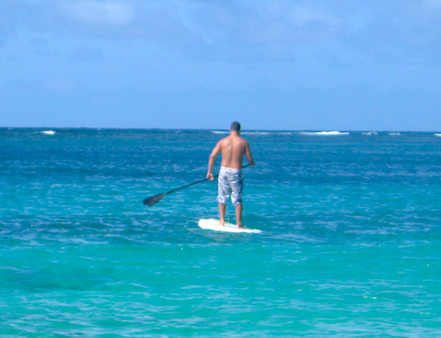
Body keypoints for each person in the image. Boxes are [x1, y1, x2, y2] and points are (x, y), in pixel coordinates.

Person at [206, 121, 255, 228]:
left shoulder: (223, 141)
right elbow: (249, 159)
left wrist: (210, 172)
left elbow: (212, 156)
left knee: (222, 195)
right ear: (239, 130)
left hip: (223, 171)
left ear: (230, 130)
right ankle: (238, 223)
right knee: (237, 197)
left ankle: (222, 221)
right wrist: (252, 163)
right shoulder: (244, 142)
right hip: (236, 171)